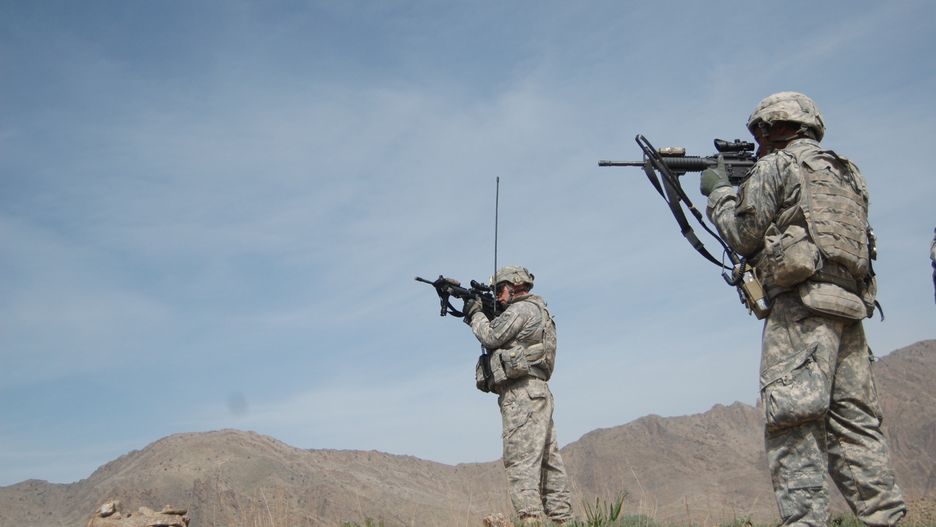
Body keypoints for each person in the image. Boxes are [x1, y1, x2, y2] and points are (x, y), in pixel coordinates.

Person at [699, 92, 906, 526]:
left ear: (774, 127)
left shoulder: (777, 165)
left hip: (801, 310)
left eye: (759, 132)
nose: (755, 143)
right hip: (848, 310)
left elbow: (743, 234)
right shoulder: (848, 174)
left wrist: (719, 193)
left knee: (794, 425)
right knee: (856, 431)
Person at [462, 265, 573, 525]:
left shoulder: (521, 309)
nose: (498, 296)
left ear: (514, 286)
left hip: (522, 394)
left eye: (500, 290)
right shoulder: (540, 310)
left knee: (520, 461)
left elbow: (491, 336)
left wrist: (475, 314)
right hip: (539, 392)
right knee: (549, 465)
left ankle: (531, 520)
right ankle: (563, 521)